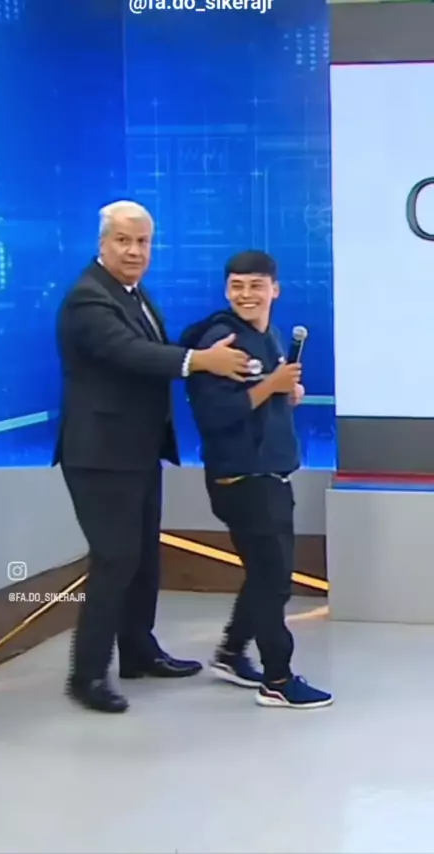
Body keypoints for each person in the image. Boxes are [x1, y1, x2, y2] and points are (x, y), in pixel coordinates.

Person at [53, 201, 251, 713]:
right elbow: (131, 353)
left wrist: (210, 346)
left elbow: (154, 346)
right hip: (100, 455)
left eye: (143, 242)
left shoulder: (134, 294)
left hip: (137, 451)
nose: (134, 251)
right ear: (102, 243)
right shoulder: (88, 299)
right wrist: (200, 360)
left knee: (141, 557)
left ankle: (139, 652)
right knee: (115, 559)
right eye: (123, 240)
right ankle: (87, 676)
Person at [179, 250, 333, 709]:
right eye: (237, 286)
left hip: (269, 473)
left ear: (274, 290)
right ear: (226, 290)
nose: (246, 295)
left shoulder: (269, 336)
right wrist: (272, 386)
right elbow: (215, 414)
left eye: (256, 285)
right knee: (272, 580)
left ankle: (230, 653)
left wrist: (287, 392)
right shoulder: (222, 341)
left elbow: (260, 395)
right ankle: (278, 679)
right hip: (243, 478)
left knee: (267, 574)